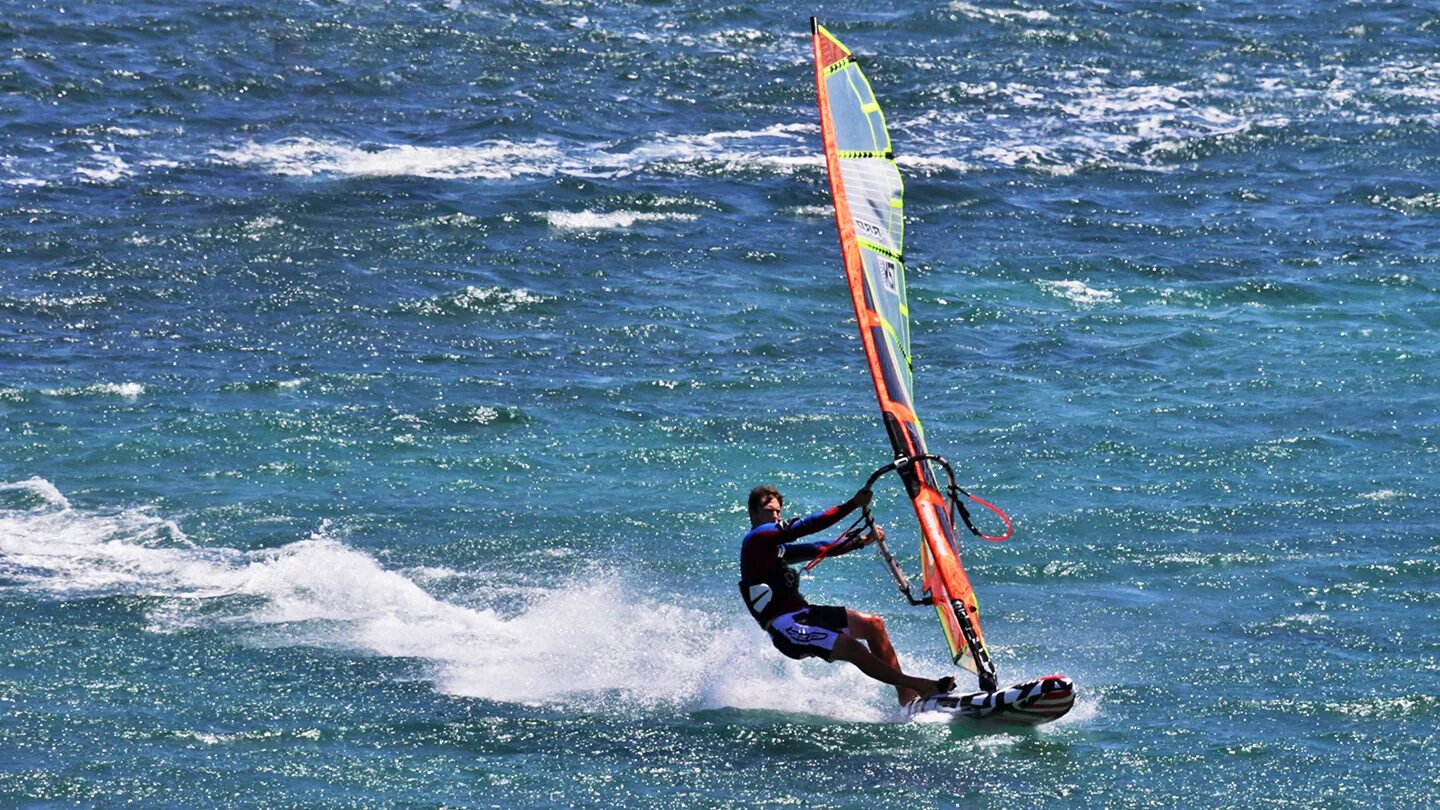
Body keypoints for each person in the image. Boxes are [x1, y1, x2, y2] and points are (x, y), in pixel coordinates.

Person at [739, 484, 956, 705]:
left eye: (778, 512)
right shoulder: (755, 539)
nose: (776, 516)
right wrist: (853, 504)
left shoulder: (777, 550)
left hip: (805, 615)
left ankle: (906, 695)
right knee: (851, 647)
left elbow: (820, 548)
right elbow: (806, 526)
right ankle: (922, 686)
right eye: (769, 511)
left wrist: (860, 542)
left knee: (874, 625)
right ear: (753, 512)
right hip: (786, 628)